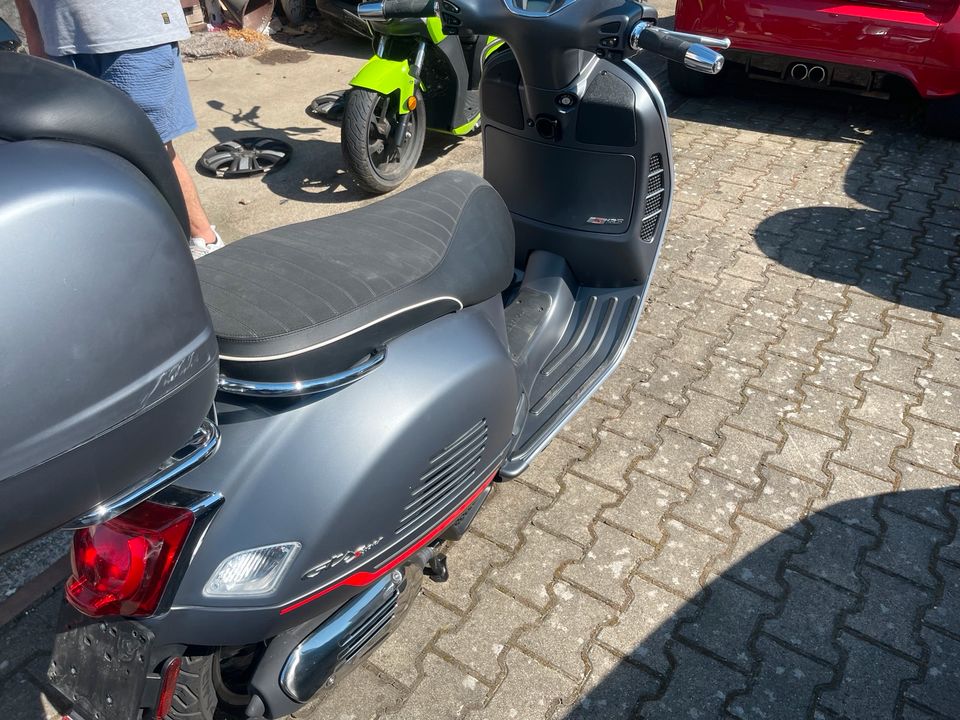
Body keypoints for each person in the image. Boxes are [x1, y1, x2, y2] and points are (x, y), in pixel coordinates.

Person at [14, 0, 225, 259]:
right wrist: (35, 37)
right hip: (58, 42)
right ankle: (129, 251)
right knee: (83, 156)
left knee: (153, 150)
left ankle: (204, 239)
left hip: (134, 35)